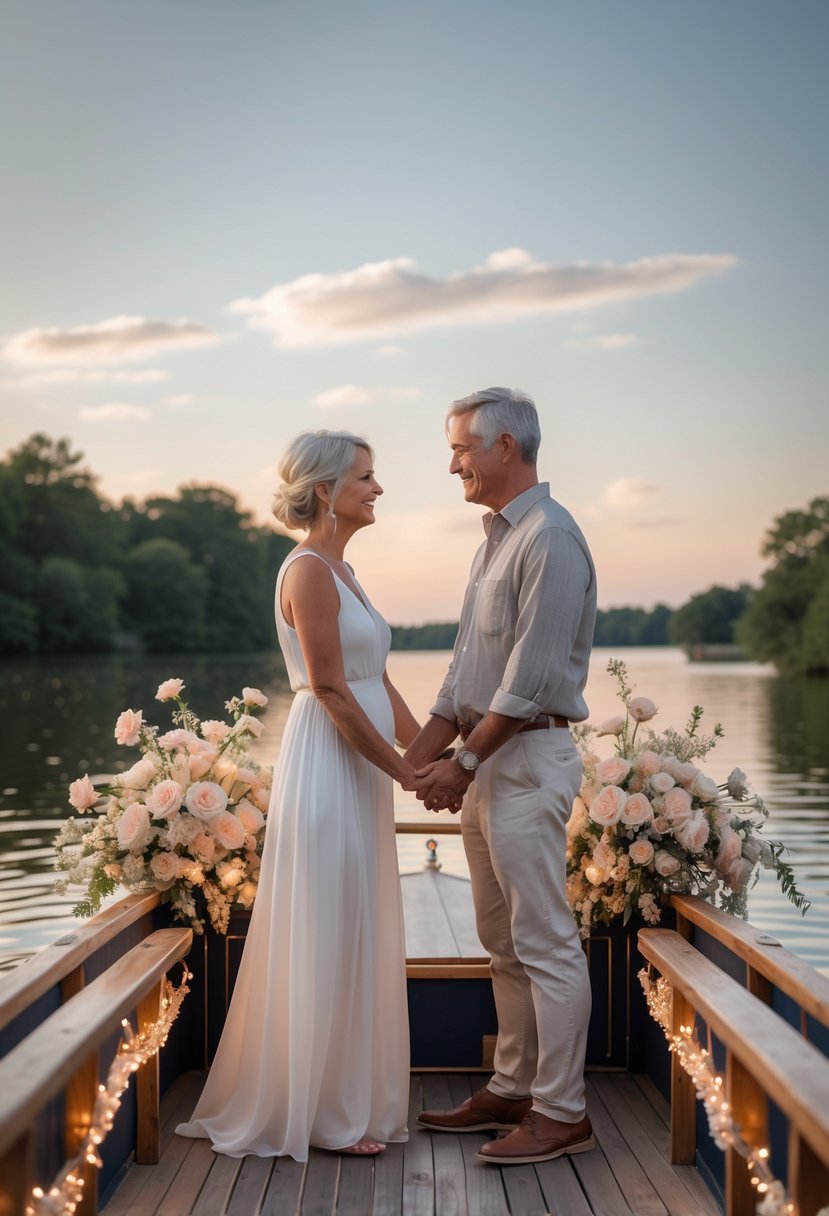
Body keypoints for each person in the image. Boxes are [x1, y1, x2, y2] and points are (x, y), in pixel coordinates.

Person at [177, 430, 420, 1160]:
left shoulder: (346, 573)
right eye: (366, 478)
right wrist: (407, 774)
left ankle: (347, 1098)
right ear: (325, 491)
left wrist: (445, 755)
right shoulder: (308, 571)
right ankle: (319, 1114)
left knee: (356, 918)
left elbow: (378, 684)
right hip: (329, 766)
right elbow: (330, 691)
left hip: (363, 771)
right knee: (328, 919)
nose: (377, 489)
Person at [407, 387, 597, 1165]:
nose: (452, 463)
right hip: (486, 764)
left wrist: (464, 762)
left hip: (524, 761)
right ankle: (513, 1087)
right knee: (500, 941)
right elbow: (463, 675)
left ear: (506, 447)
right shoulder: (494, 539)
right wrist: (419, 760)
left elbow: (529, 679)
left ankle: (564, 1112)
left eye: (460, 448)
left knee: (545, 941)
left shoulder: (549, 538)